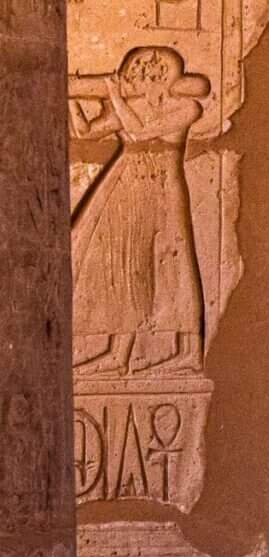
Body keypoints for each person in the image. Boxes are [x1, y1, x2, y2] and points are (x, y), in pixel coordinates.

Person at [69, 47, 210, 375]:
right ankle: (118, 355)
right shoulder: (130, 103)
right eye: (139, 73)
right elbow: (85, 132)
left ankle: (188, 351)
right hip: (125, 182)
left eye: (150, 74)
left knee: (173, 261)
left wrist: (114, 97)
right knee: (125, 264)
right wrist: (72, 98)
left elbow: (140, 132)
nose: (142, 79)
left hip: (161, 184)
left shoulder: (185, 106)